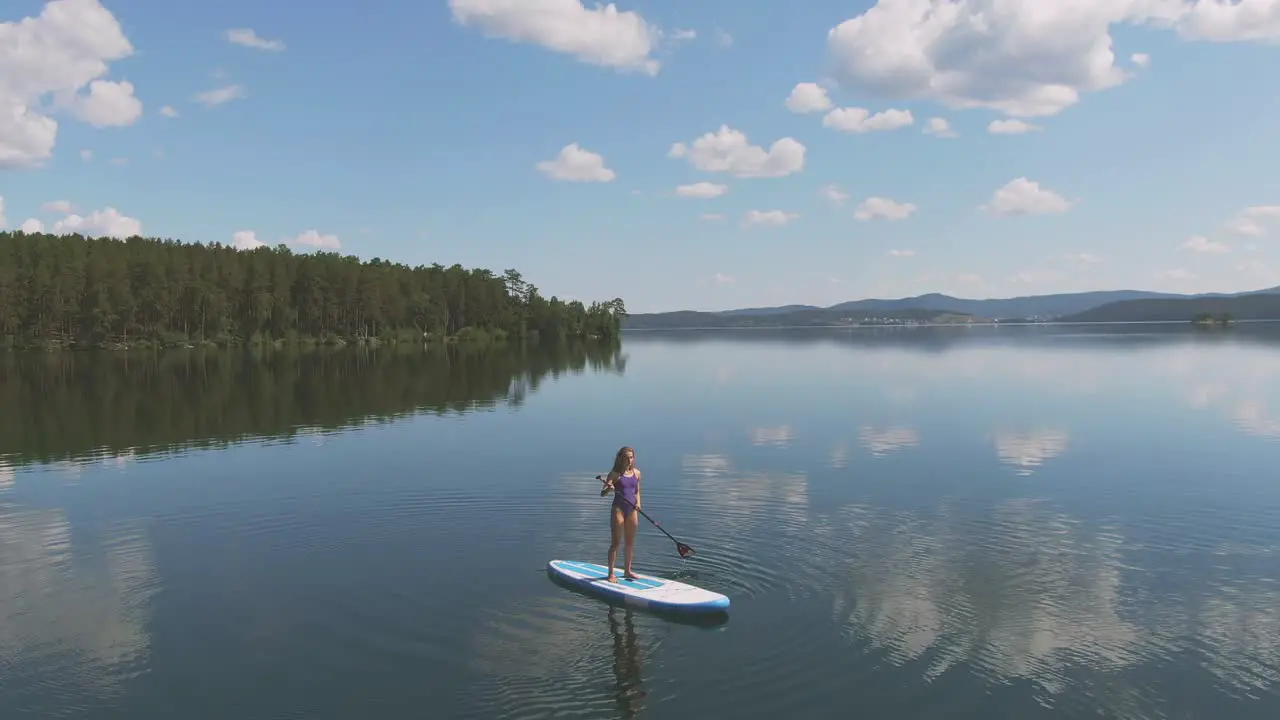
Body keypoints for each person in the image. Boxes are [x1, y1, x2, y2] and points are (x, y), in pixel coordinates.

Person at [600, 445, 641, 582]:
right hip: (618, 510)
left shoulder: (637, 473)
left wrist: (638, 503)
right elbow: (602, 493)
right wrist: (609, 489)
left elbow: (636, 491)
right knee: (616, 543)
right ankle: (611, 573)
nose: (629, 460)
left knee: (630, 543)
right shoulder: (615, 474)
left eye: (631, 457)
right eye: (626, 457)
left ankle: (627, 571)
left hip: (632, 510)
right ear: (621, 459)